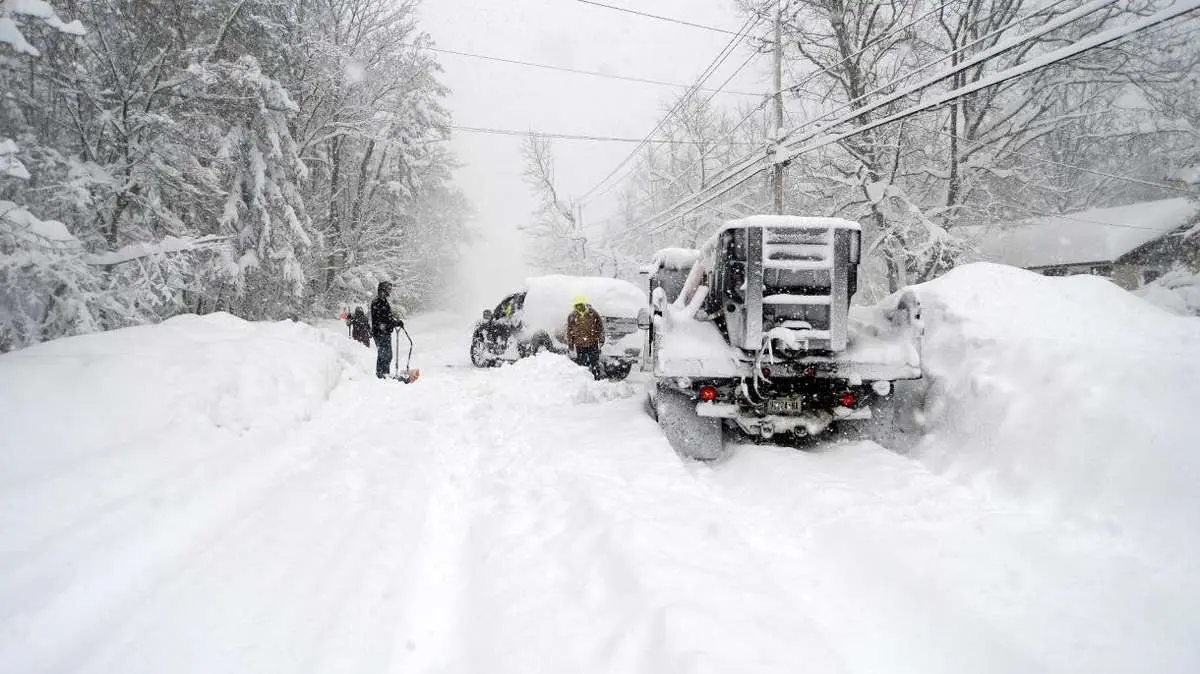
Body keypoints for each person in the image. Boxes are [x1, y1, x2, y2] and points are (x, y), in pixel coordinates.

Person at [566, 295, 605, 380]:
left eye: (581, 305)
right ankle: (584, 381)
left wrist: (601, 340)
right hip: (579, 344)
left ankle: (596, 379)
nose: (579, 307)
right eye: (577, 305)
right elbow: (569, 331)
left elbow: (600, 327)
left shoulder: (593, 313)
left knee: (594, 363)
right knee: (582, 365)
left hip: (592, 343)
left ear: (584, 304)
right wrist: (570, 345)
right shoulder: (572, 316)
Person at [371, 281, 405, 379]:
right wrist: (394, 323)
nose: (389, 291)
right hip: (380, 332)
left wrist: (396, 322)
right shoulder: (377, 302)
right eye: (388, 289)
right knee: (385, 354)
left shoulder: (383, 301)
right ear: (383, 290)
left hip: (384, 332)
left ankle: (384, 374)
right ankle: (382, 375)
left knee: (387, 355)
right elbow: (382, 319)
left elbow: (387, 318)